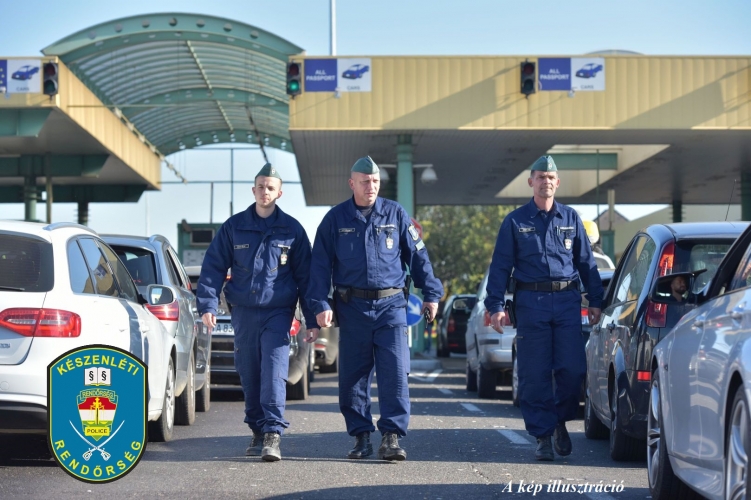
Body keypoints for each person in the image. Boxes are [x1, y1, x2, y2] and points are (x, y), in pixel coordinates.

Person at [307, 156, 443, 461]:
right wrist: (320, 304)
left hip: (391, 306)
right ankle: (361, 436)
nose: (371, 186)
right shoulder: (335, 219)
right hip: (352, 307)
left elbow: (418, 256)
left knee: (395, 372)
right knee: (353, 377)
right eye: (365, 181)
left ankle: (391, 437)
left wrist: (431, 294)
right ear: (352, 183)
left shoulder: (395, 213)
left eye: (376, 181)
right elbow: (319, 267)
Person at [485, 155, 603, 461]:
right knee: (534, 373)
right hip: (531, 304)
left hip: (566, 303)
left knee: (572, 370)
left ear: (557, 182)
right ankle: (543, 435)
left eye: (550, 177)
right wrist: (495, 306)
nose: (545, 182)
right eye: (540, 177)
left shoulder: (571, 218)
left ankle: (559, 421)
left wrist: (596, 300)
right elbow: (500, 267)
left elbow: (587, 264)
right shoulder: (515, 221)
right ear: (531, 182)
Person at [196, 163, 317, 462]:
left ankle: (273, 432)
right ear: (253, 190)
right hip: (244, 313)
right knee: (249, 373)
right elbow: (213, 267)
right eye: (261, 186)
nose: (265, 191)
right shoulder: (234, 227)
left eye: (270, 187)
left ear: (279, 193)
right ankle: (257, 429)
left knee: (274, 371)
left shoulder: (292, 230)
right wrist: (208, 305)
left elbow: (307, 278)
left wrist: (312, 318)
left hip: (278, 312)